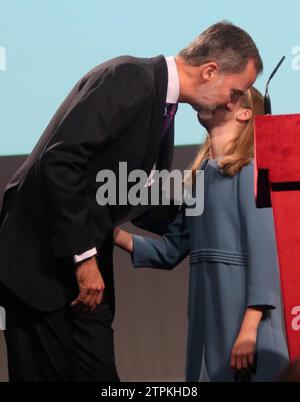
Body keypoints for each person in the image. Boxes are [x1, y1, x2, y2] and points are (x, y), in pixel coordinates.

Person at [0, 21, 262, 382]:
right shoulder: (130, 78)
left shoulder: (161, 105)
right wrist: (84, 257)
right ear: (210, 71)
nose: (233, 102)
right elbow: (60, 164)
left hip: (82, 266)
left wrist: (207, 221)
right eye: (235, 91)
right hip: (43, 263)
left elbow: (132, 191)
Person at [114, 87, 289, 382]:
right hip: (206, 316)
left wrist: (249, 328)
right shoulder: (200, 178)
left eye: (228, 92)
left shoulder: (248, 172)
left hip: (245, 317)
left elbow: (264, 253)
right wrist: (114, 235)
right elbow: (171, 250)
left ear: (245, 114)